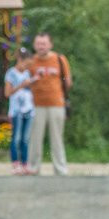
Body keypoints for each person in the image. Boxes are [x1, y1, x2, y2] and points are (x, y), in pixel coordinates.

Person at [26, 32, 71, 175]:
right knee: (35, 139)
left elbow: (67, 81)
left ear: (50, 44)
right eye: (38, 44)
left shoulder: (59, 59)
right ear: (34, 45)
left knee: (57, 138)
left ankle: (60, 169)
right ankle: (33, 168)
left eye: (44, 44)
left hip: (56, 104)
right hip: (36, 105)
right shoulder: (31, 61)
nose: (41, 47)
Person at [4, 47, 35, 174]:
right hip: (16, 111)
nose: (27, 67)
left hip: (29, 109)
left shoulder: (28, 73)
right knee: (16, 138)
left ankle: (25, 164)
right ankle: (15, 163)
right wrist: (21, 85)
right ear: (19, 60)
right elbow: (7, 93)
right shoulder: (11, 73)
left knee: (25, 138)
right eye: (26, 64)